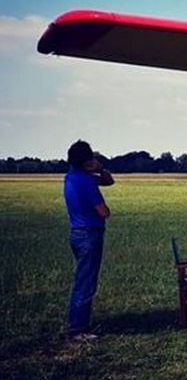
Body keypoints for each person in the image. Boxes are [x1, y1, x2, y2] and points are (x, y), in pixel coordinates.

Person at [63, 140, 115, 341]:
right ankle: (78, 330)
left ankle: (79, 324)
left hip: (76, 233)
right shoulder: (86, 182)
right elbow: (104, 212)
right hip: (89, 234)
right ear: (87, 161)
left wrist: (100, 169)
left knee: (82, 280)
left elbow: (109, 181)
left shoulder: (72, 177)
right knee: (85, 283)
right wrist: (98, 168)